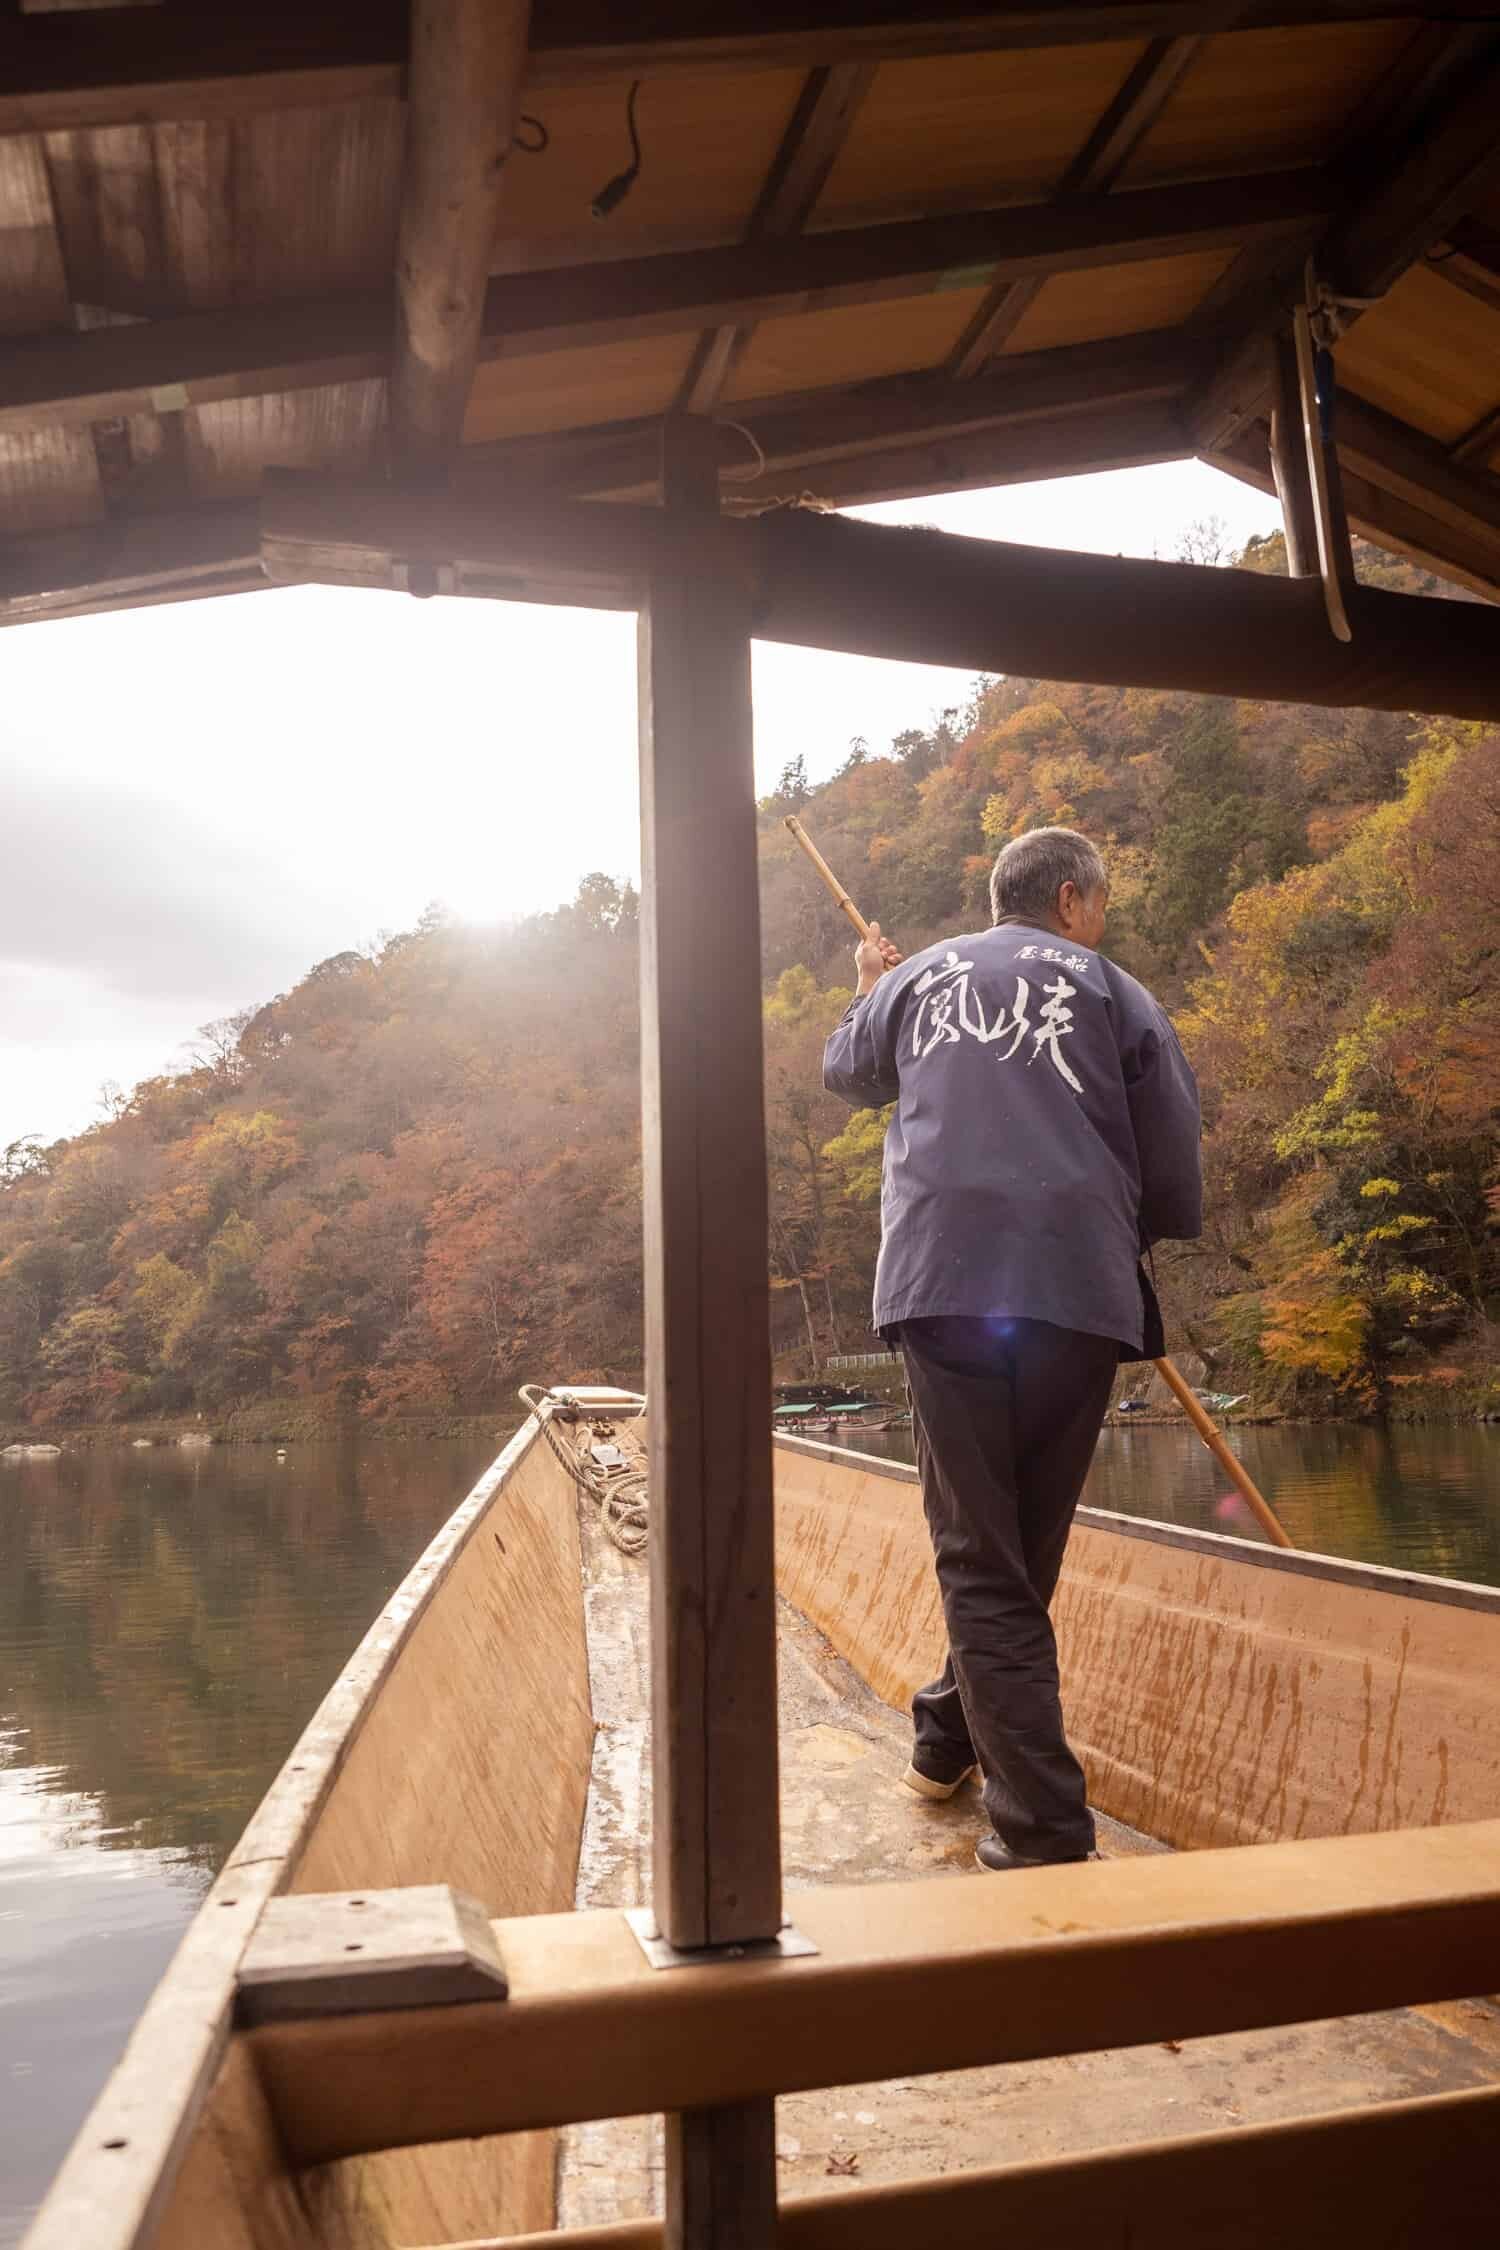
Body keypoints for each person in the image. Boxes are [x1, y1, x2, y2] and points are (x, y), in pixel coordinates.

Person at [823, 826, 1202, 1872]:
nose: (1103, 920)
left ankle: (959, 1747)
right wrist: (1127, 1239)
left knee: (992, 1559)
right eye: (1104, 903)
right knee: (1016, 1551)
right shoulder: (1119, 993)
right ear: (1071, 899)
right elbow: (1171, 1167)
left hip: (947, 1285)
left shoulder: (921, 977)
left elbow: (846, 1072)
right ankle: (1028, 1816)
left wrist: (868, 987)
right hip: (1073, 1293)